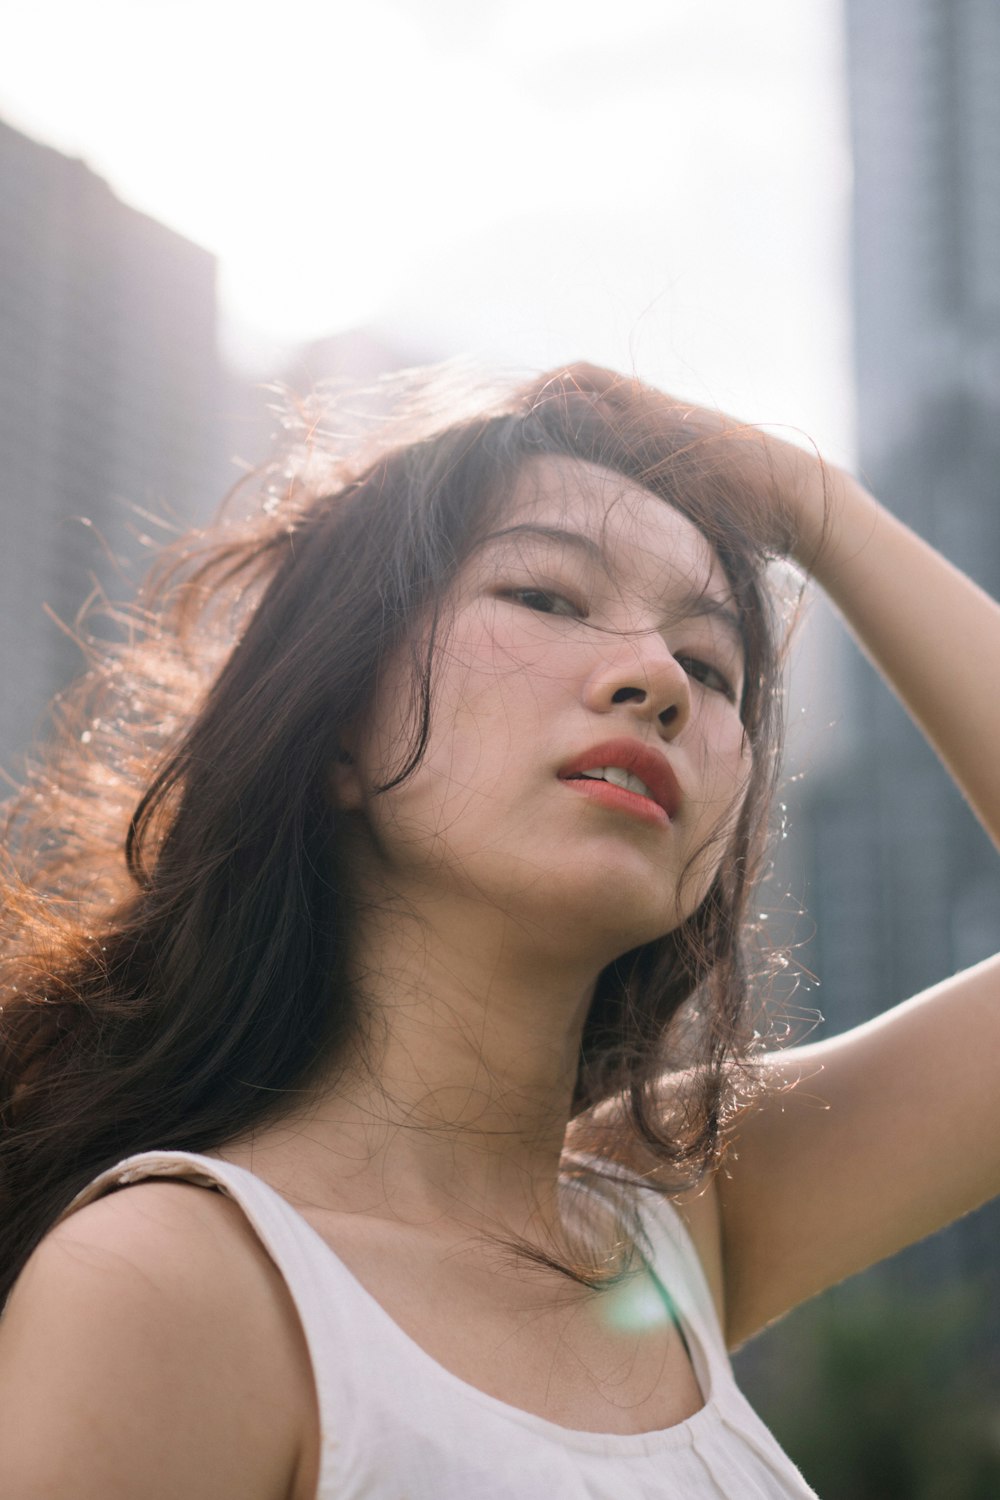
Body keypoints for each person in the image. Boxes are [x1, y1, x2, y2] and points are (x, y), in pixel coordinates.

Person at [0, 363, 997, 1499]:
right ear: (333, 721)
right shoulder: (173, 1288)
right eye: (547, 597)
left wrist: (818, 508)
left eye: (711, 663)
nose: (656, 678)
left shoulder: (677, 1228)